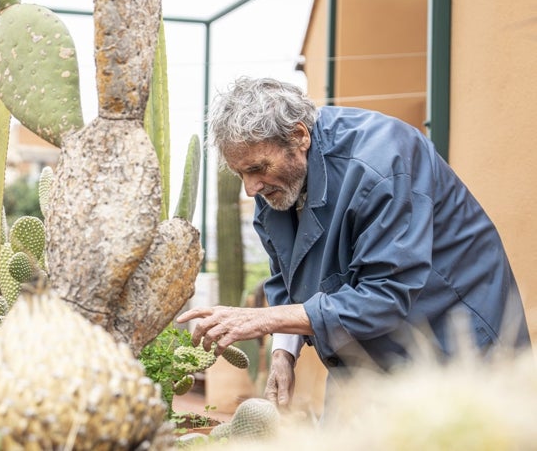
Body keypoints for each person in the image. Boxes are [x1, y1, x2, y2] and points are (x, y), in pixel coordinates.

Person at [176, 77, 532, 412]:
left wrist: (263, 319)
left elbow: (385, 296)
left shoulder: (382, 162)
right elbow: (286, 274)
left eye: (256, 169)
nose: (250, 188)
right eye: (241, 174)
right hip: (367, 358)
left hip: (454, 348)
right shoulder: (277, 184)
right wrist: (285, 351)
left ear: (299, 136)